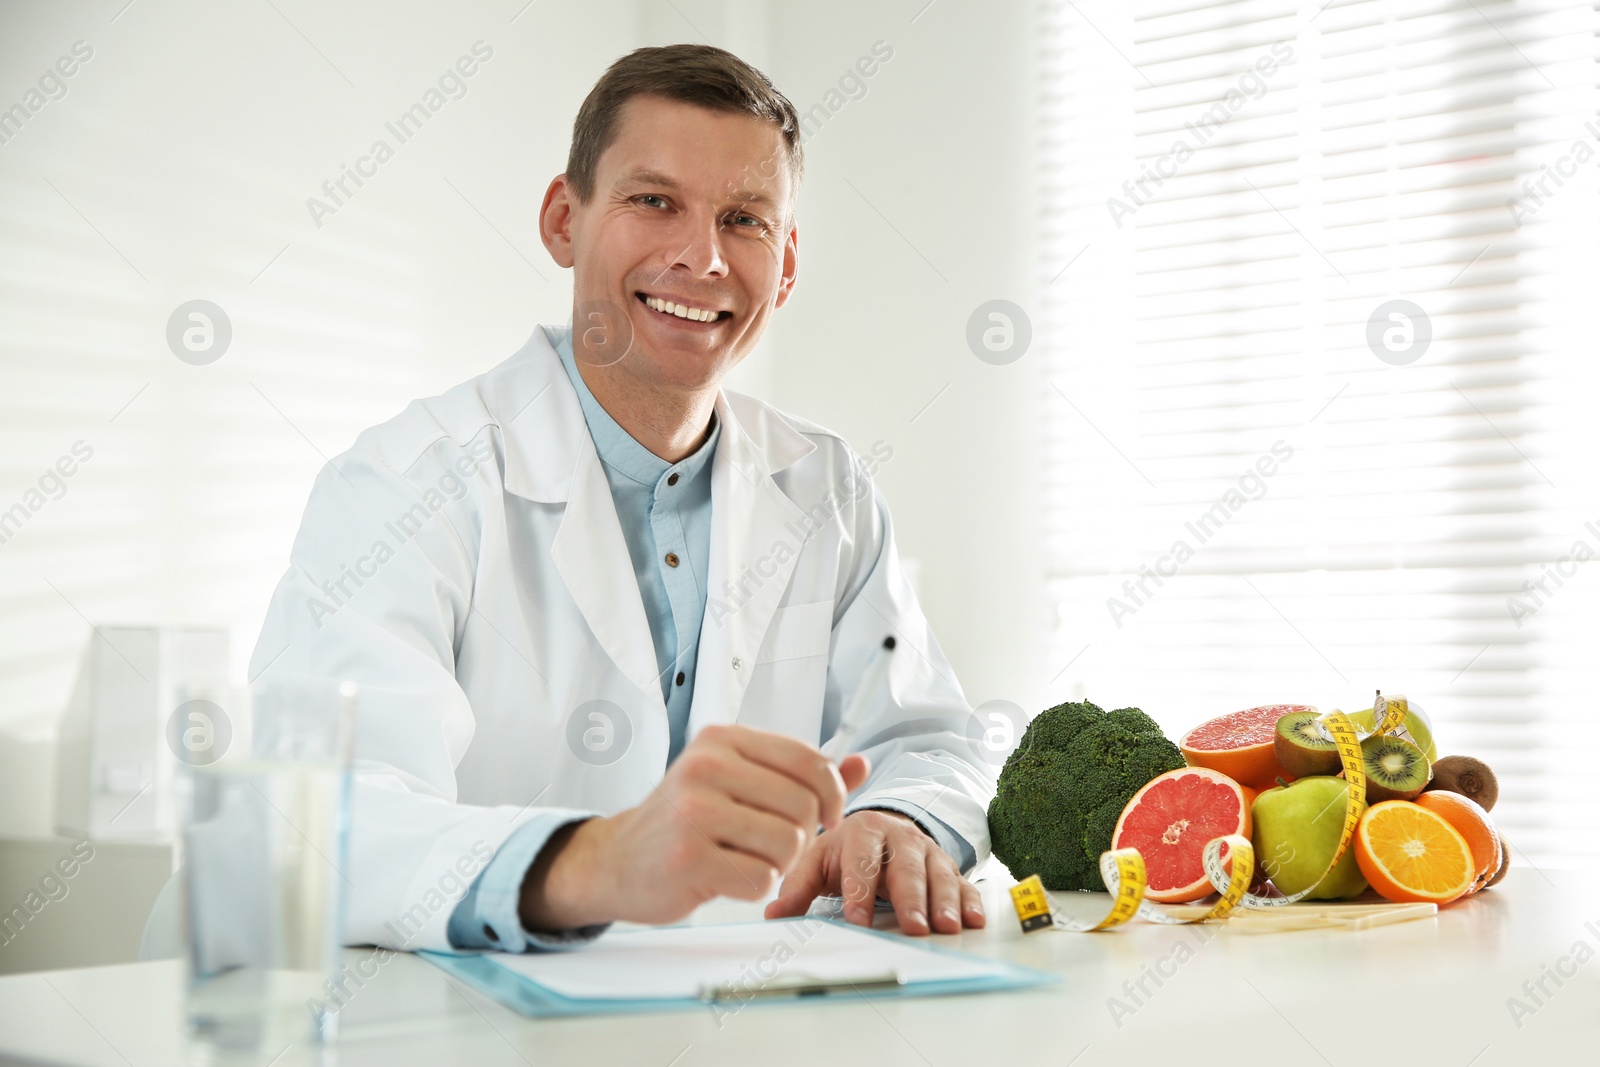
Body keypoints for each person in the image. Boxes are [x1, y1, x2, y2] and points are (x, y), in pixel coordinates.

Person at [248, 43, 993, 954]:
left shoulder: (826, 487)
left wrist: (901, 819)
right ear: (565, 219)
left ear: (787, 265)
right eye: (654, 202)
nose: (702, 257)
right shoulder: (406, 484)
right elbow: (319, 820)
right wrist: (598, 859)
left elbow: (928, 737)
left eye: (746, 220)